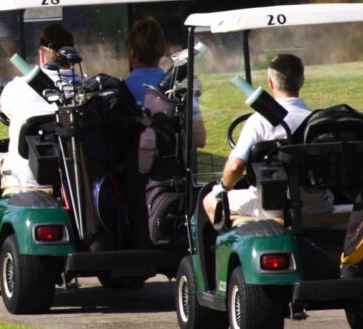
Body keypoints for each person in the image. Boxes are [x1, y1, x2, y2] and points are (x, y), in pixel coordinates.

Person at [0, 23, 79, 206]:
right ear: (72, 54)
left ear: (42, 55)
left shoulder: (17, 88)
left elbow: (3, 109)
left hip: (24, 180)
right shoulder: (87, 87)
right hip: (73, 176)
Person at [203, 54, 332, 224]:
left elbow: (235, 166)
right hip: (317, 204)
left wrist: (223, 188)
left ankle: (251, 232)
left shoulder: (258, 122)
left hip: (273, 206)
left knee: (210, 201)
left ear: (270, 83)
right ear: (302, 81)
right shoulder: (316, 121)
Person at [125, 17, 206, 146]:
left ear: (131, 52)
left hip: (133, 165)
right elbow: (199, 139)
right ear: (162, 51)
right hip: (171, 164)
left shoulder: (121, 91)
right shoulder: (178, 87)